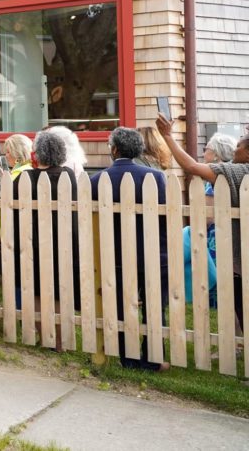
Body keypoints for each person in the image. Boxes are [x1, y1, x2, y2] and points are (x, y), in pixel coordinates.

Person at [156, 114, 249, 332]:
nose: (235, 149)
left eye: (239, 145)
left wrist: (168, 136)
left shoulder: (239, 172)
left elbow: (191, 166)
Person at [90, 126, 168, 370]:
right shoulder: (154, 177)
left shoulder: (97, 179)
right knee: (154, 305)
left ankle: (129, 358)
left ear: (114, 149)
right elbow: (163, 217)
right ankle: (154, 357)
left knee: (124, 306)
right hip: (151, 249)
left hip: (115, 252)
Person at [14, 130, 79, 349]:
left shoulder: (26, 178)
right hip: (63, 241)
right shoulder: (67, 175)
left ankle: (46, 339)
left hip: (33, 242)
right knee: (59, 291)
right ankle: (59, 341)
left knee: (37, 292)